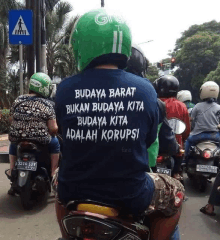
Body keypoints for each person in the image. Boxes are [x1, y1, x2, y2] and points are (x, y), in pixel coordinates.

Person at [55, 9, 184, 240]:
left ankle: (67, 236)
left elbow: (63, 134)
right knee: (176, 191)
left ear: (80, 44)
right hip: (131, 194)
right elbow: (147, 140)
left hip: (74, 189)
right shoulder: (145, 89)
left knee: (57, 186)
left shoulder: (64, 89)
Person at [126, 43, 179, 170]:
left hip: (89, 177)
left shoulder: (87, 94)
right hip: (142, 172)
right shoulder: (154, 102)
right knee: (176, 188)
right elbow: (167, 143)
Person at [8, 72, 60, 195]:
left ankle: (11, 171)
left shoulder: (18, 99)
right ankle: (53, 173)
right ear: (45, 88)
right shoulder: (48, 104)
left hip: (18, 138)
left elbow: (11, 119)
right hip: (40, 140)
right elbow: (53, 128)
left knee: (13, 144)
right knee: (55, 143)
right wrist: (54, 131)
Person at [153, 75, 191, 180]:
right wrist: (182, 139)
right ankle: (176, 177)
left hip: (154, 146)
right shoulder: (181, 106)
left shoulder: (153, 103)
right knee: (178, 176)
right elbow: (186, 130)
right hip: (174, 148)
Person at [185, 81, 220, 158]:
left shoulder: (197, 106)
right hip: (215, 136)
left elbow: (191, 120)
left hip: (198, 135)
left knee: (188, 141)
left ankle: (184, 160)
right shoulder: (218, 107)